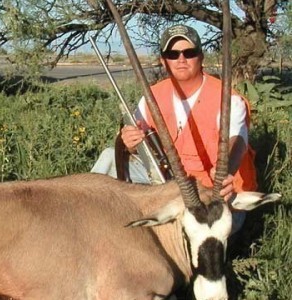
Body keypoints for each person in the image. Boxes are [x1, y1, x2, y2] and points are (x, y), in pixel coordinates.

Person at [91, 24, 257, 233]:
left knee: (187, 234)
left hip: (217, 194)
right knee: (108, 157)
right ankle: (85, 221)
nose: (181, 59)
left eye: (189, 52)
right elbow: (131, 138)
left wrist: (227, 171)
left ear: (201, 57)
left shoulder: (228, 98)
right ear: (163, 60)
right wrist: (128, 142)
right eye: (172, 54)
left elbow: (238, 141)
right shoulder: (152, 96)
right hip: (170, 185)